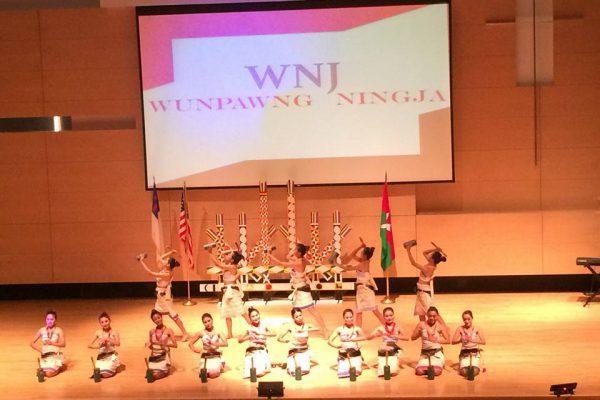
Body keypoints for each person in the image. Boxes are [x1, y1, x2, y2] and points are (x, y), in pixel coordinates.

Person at [269, 243, 328, 337]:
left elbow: (281, 263)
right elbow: (288, 256)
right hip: (298, 290)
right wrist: (293, 251)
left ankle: (324, 329)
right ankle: (295, 328)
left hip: (302, 290)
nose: (293, 251)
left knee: (312, 310)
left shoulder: (299, 262)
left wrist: (269, 255)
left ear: (299, 253)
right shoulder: (299, 259)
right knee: (295, 311)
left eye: (295, 249)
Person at [137, 250, 190, 341]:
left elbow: (150, 273)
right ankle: (162, 330)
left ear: (168, 265)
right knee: (157, 313)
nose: (164, 261)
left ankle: (185, 333)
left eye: (166, 260)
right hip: (160, 296)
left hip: (165, 297)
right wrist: (171, 252)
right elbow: (160, 258)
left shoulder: (166, 274)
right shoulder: (166, 268)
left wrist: (141, 261)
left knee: (172, 314)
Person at [207, 246, 250, 338]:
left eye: (229, 255)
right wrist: (231, 251)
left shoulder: (232, 266)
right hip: (227, 291)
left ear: (232, 260)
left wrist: (210, 253)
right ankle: (230, 333)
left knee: (242, 312)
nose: (227, 255)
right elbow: (223, 256)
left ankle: (254, 328)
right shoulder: (229, 265)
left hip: (232, 291)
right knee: (227, 313)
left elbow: (218, 263)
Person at [345, 238, 384, 327]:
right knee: (358, 312)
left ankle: (388, 327)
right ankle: (358, 330)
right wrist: (361, 246)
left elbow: (347, 268)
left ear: (365, 256)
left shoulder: (362, 264)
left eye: (362, 252)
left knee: (375, 311)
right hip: (361, 290)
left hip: (365, 291)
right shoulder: (364, 261)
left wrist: (336, 264)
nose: (360, 253)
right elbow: (352, 255)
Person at [404, 240, 447, 322]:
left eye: (431, 255)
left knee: (433, 313)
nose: (428, 255)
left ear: (432, 259)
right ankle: (423, 327)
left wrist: (408, 250)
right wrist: (435, 249)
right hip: (421, 291)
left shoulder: (429, 268)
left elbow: (413, 263)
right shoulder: (432, 263)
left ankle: (444, 327)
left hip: (424, 292)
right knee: (421, 313)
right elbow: (424, 252)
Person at [367, 307, 408, 377]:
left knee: (393, 372)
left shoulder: (398, 327)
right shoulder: (381, 327)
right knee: (382, 372)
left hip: (394, 350)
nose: (389, 318)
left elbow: (407, 338)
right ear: (384, 317)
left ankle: (394, 361)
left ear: (394, 316)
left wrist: (396, 336)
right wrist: (375, 335)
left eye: (391, 315)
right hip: (384, 350)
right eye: (387, 316)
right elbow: (368, 338)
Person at [277, 307, 319, 376]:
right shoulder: (290, 326)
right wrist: (286, 341)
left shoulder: (307, 325)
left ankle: (306, 359)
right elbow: (279, 338)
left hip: (304, 351)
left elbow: (317, 328)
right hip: (295, 352)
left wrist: (305, 330)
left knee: (304, 370)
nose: (299, 318)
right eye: (296, 317)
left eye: (300, 315)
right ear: (293, 318)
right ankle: (290, 362)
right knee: (294, 372)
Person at [411, 306, 450, 376]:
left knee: (436, 371)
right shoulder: (421, 324)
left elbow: (448, 340)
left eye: (434, 316)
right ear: (427, 315)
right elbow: (413, 338)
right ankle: (429, 368)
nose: (432, 318)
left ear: (437, 316)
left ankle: (435, 366)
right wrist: (419, 333)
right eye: (430, 316)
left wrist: (437, 340)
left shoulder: (440, 326)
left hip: (436, 354)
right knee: (419, 371)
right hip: (425, 354)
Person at [238, 307, 275, 379]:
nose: (255, 317)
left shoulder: (264, 325)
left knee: (260, 372)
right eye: (253, 316)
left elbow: (274, 333)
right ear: (250, 318)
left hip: (262, 350)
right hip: (252, 351)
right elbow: (239, 340)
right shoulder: (249, 327)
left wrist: (261, 333)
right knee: (250, 371)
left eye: (256, 315)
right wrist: (248, 337)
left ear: (259, 315)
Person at [328, 308, 366, 378]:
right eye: (347, 317)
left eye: (351, 317)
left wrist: (359, 345)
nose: (349, 319)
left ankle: (358, 360)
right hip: (344, 355)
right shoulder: (339, 329)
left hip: (355, 354)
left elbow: (365, 338)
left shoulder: (357, 329)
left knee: (355, 373)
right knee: (344, 374)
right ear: (344, 318)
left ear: (353, 317)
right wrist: (337, 346)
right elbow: (329, 341)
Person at [189, 313, 228, 378]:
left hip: (216, 354)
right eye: (205, 322)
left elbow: (226, 343)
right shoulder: (201, 332)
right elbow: (190, 344)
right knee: (204, 373)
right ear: (203, 323)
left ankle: (220, 366)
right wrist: (198, 351)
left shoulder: (218, 331)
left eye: (209, 321)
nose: (207, 323)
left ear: (212, 320)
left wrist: (214, 343)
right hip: (206, 355)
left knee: (213, 374)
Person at [30, 310, 66, 378]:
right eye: (48, 319)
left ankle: (60, 368)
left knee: (48, 374)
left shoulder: (59, 330)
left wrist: (52, 343)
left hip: (55, 356)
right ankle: (48, 369)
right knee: (42, 373)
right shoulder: (42, 330)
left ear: (55, 320)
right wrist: (40, 350)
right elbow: (31, 343)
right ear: (45, 320)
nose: (49, 321)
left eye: (52, 319)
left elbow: (63, 344)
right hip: (45, 356)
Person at [452, 310, 486, 377]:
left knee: (474, 371)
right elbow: (453, 341)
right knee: (464, 372)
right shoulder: (460, 328)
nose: (466, 321)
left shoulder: (477, 328)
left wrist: (473, 340)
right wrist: (460, 340)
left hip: (474, 354)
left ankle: (474, 368)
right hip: (464, 355)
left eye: (468, 319)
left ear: (472, 318)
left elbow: (483, 342)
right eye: (464, 319)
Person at [88, 312, 120, 378]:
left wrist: (108, 339)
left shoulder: (114, 332)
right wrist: (100, 346)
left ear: (109, 321)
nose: (105, 323)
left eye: (106, 321)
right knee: (98, 373)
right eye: (102, 322)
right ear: (100, 323)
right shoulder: (98, 332)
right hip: (101, 357)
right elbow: (89, 345)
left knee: (105, 375)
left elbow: (118, 343)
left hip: (111, 356)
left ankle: (114, 367)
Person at [147, 309, 177, 380]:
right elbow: (151, 346)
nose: (157, 320)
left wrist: (165, 344)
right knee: (149, 374)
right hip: (155, 356)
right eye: (155, 319)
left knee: (155, 376)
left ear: (161, 317)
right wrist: (149, 345)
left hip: (163, 356)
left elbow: (175, 345)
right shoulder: (151, 331)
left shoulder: (169, 330)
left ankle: (164, 370)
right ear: (153, 321)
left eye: (158, 318)